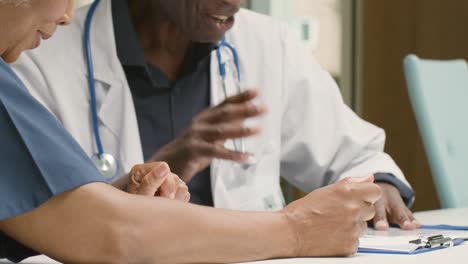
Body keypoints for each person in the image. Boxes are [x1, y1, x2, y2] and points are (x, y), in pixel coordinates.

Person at [1, 2, 382, 263]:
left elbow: (49, 213)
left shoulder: (266, 41)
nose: (68, 14)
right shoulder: (31, 64)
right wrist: (300, 230)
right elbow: (104, 231)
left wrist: (121, 202)